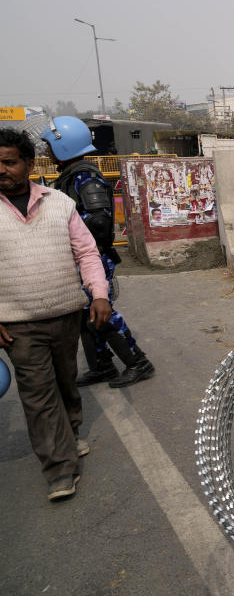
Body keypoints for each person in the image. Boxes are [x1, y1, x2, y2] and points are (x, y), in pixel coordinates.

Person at [0, 127, 111, 500]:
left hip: (65, 314)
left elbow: (86, 253)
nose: (2, 169)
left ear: (29, 164)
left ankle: (71, 433)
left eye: (9, 162)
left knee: (66, 382)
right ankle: (60, 468)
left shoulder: (59, 203)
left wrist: (99, 294)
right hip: (17, 323)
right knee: (37, 394)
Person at [43, 116, 155, 388]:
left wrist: (81, 247)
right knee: (84, 315)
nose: (45, 151)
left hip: (93, 256)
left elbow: (99, 220)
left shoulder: (85, 176)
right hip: (81, 255)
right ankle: (102, 366)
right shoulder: (72, 174)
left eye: (48, 146)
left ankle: (138, 362)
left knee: (102, 312)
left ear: (64, 145)